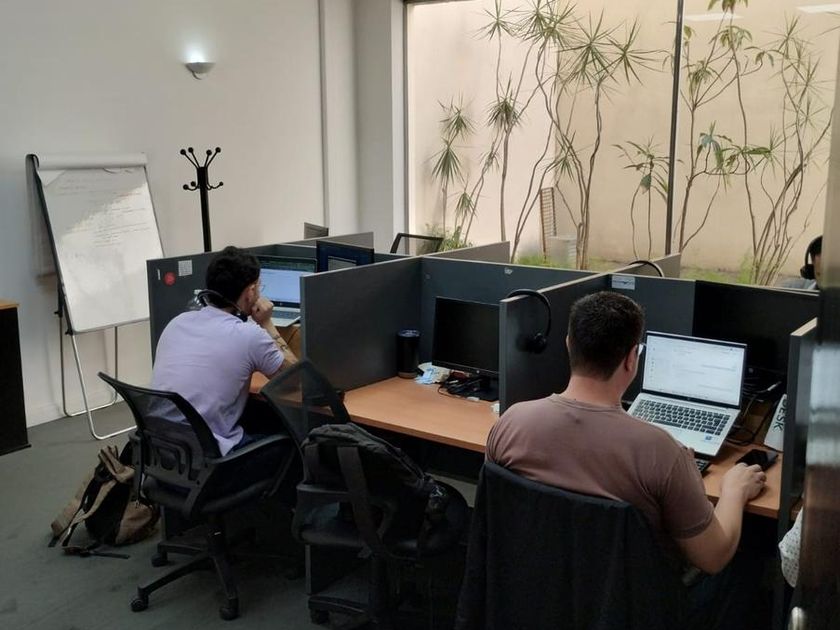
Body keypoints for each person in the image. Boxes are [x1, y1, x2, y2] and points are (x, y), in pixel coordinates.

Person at [487, 291, 767, 628]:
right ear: (632, 359)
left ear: (568, 344)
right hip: (626, 610)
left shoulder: (510, 424)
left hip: (534, 595)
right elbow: (713, 557)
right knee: (749, 554)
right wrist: (734, 489)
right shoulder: (661, 451)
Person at [151, 245, 298, 455]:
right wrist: (266, 323)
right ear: (250, 292)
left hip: (161, 450)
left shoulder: (177, 323)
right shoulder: (248, 335)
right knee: (292, 445)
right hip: (211, 458)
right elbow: (294, 380)